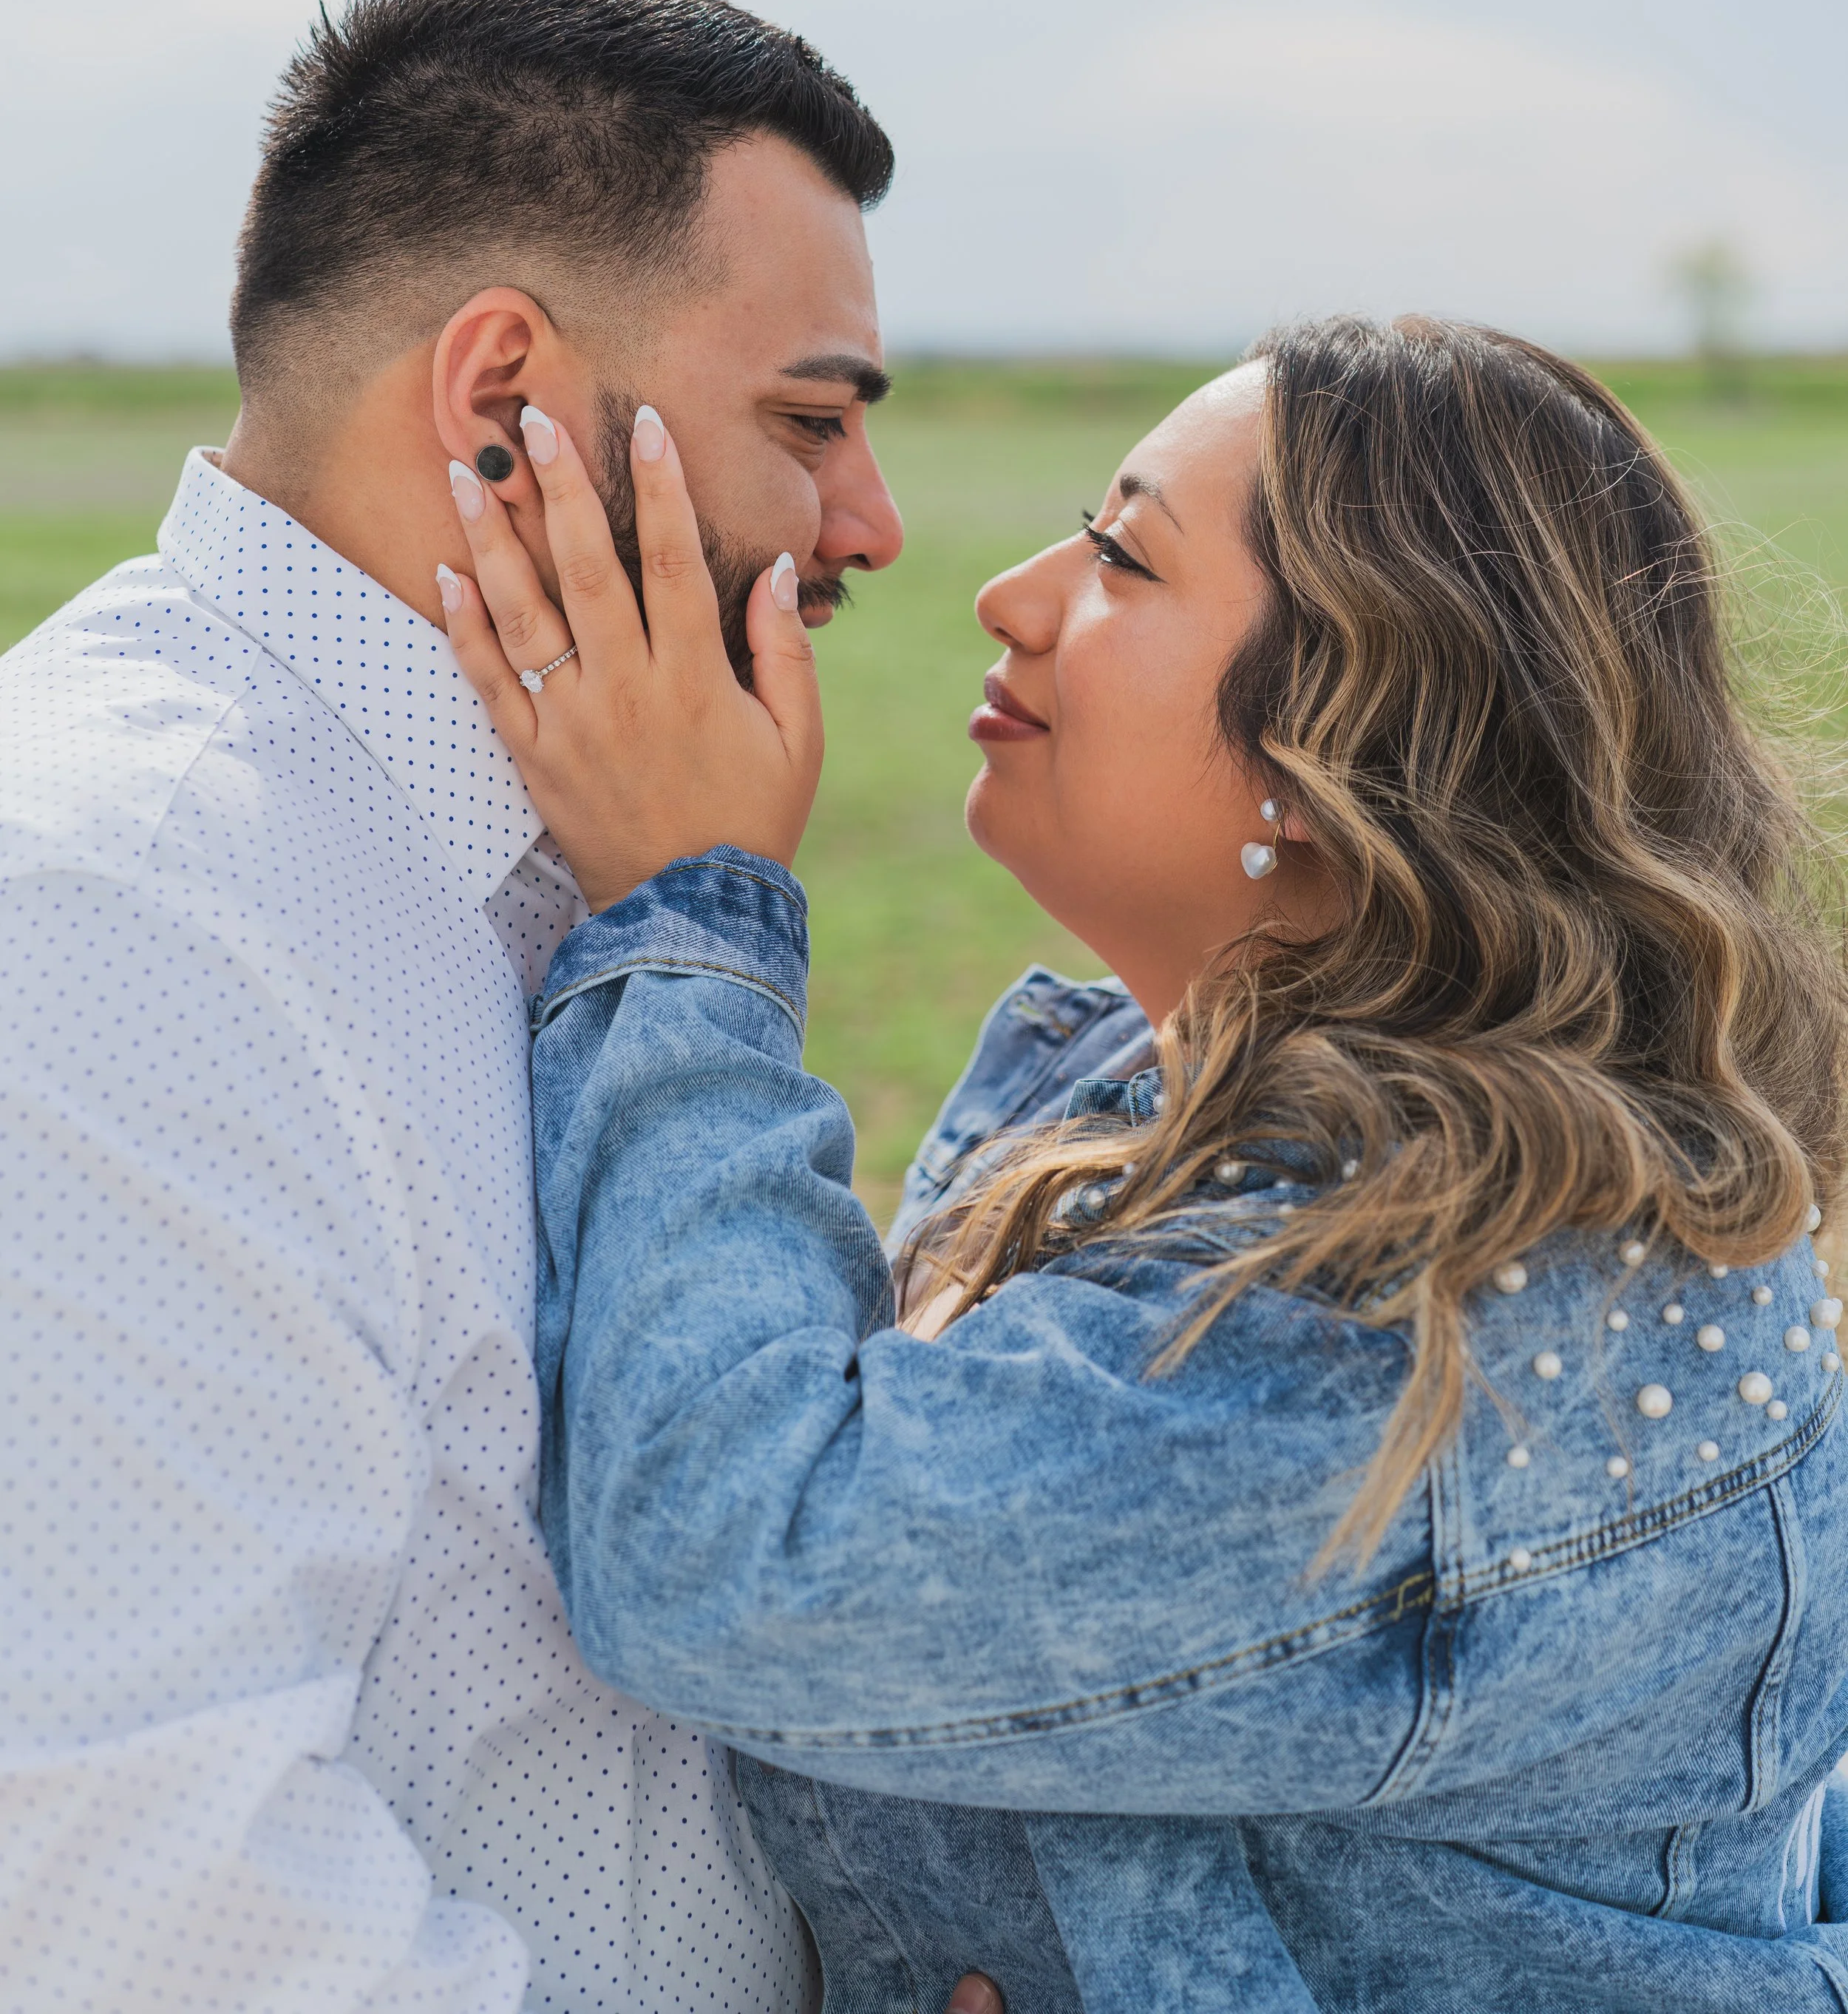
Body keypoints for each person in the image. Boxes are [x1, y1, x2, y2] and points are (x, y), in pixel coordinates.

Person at [441, 315, 1848, 2013]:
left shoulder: (1413, 1327)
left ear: (1346, 745)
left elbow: (730, 1550)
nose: (1010, 592)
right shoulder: (1151, 1089)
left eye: (1119, 553)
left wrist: (686, 907)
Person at [0, 0, 906, 2012]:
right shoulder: (114, 909)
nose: (870, 517)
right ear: (501, 400)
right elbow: (125, 1890)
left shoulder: (528, 862)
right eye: (810, 419)